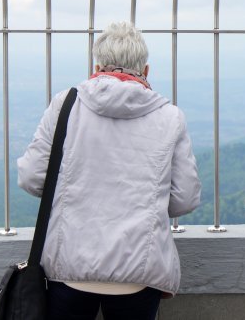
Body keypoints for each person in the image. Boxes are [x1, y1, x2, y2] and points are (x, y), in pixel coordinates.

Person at [18, 21, 201, 320]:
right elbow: (185, 199)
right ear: (146, 70)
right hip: (138, 276)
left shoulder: (65, 105)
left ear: (97, 66)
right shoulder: (170, 117)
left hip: (69, 269)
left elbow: (30, 177)